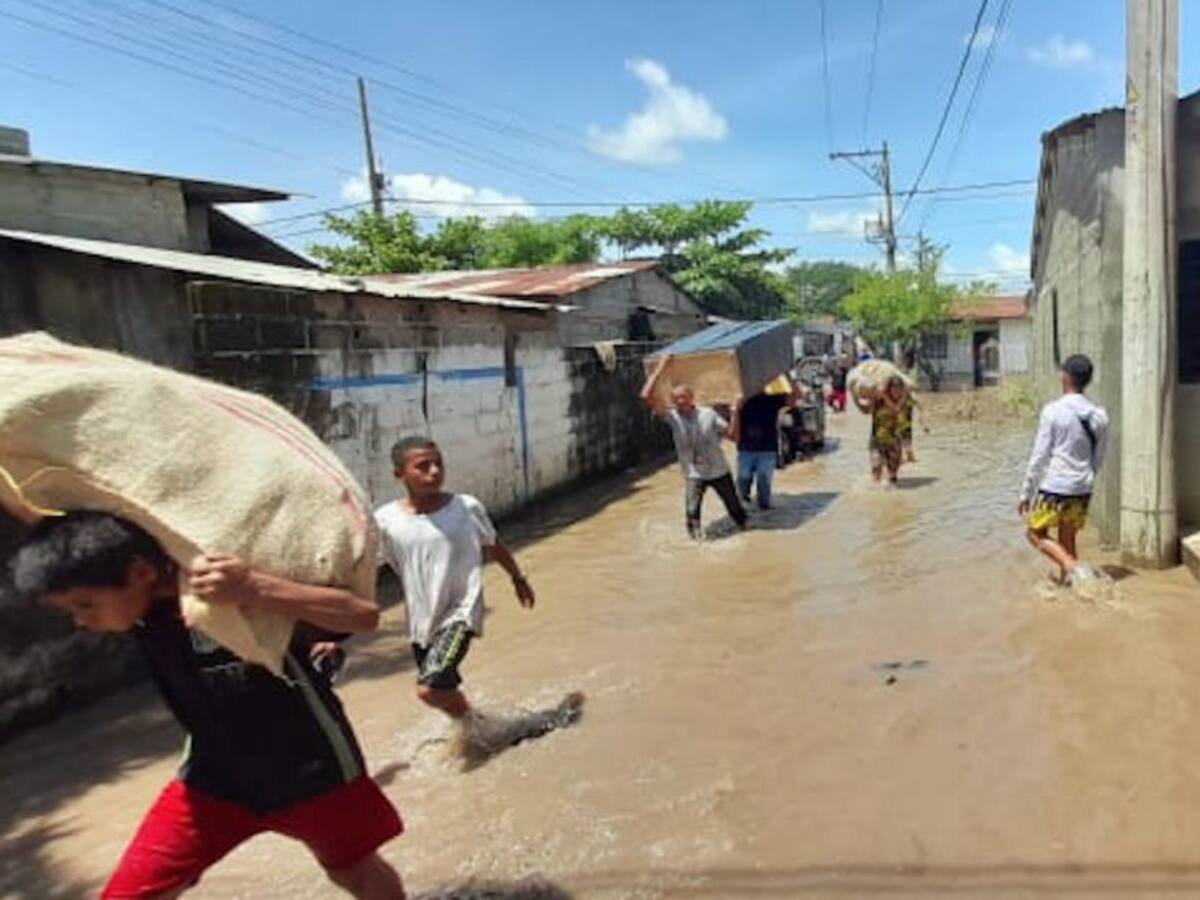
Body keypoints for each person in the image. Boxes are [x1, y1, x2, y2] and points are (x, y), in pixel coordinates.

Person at [7, 512, 405, 899]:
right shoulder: (142, 611)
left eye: (86, 605)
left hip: (314, 771)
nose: (80, 621)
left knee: (354, 871)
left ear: (141, 573)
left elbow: (362, 616)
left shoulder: (229, 587)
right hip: (211, 781)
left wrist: (251, 587)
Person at [375, 436, 537, 723]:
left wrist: (518, 578)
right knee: (444, 689)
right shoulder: (385, 520)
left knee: (427, 689)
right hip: (422, 619)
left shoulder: (465, 507)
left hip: (461, 612)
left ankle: (484, 729)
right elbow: (377, 567)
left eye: (438, 464)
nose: (434, 472)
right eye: (423, 466)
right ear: (399, 474)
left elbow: (493, 544)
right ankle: (484, 730)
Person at [1018, 354, 1109, 584]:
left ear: (1065, 378)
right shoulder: (1099, 415)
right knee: (1068, 540)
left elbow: (1039, 456)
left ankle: (1072, 568)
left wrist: (1026, 493)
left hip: (1056, 487)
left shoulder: (1052, 411)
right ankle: (1072, 587)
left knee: (1033, 533)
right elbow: (1098, 458)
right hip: (1083, 487)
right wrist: (1085, 479)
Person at [641, 354, 747, 539]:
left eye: (683, 397)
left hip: (719, 470)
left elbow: (733, 437)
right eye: (676, 399)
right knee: (691, 511)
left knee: (736, 510)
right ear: (673, 402)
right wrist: (660, 368)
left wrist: (734, 412)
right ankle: (696, 542)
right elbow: (645, 395)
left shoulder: (708, 414)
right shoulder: (672, 417)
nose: (680, 402)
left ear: (691, 397)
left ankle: (746, 532)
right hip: (693, 473)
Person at [736, 378, 800, 510]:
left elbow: (793, 401)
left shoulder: (773, 398)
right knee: (743, 478)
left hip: (767, 448)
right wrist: (735, 408)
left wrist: (791, 382)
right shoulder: (742, 398)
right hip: (745, 447)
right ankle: (743, 504)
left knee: (764, 481)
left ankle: (765, 510)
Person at [857, 374, 909, 485]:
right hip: (877, 440)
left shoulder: (903, 400)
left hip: (894, 442)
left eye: (899, 389)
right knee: (876, 468)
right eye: (894, 389)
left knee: (893, 474)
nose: (897, 392)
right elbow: (867, 411)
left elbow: (896, 410)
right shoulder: (878, 401)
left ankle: (892, 497)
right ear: (889, 389)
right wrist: (860, 400)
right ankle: (875, 495)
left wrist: (884, 395)